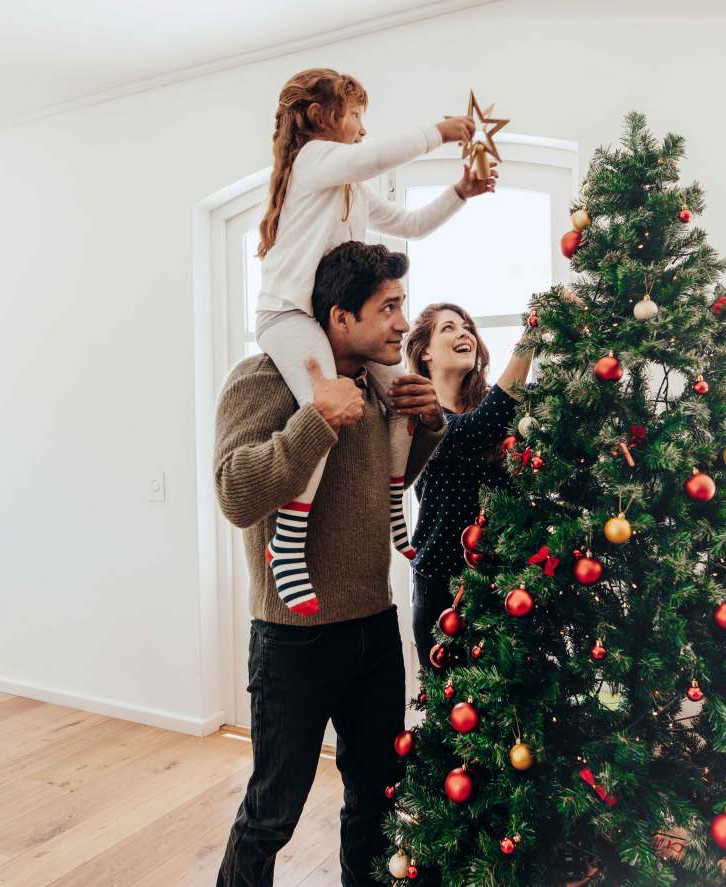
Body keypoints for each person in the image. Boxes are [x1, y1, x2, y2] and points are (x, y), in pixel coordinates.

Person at [215, 241, 445, 887]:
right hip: (294, 638)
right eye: (389, 307)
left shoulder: (378, 390)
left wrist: (426, 425)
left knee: (376, 800)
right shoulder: (260, 380)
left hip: (375, 629)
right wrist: (315, 420)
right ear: (340, 318)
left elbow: (374, 489)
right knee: (272, 814)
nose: (405, 321)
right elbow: (236, 492)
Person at [255, 66, 497, 616]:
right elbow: (372, 156)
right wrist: (441, 131)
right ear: (321, 117)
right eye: (356, 114)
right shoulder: (312, 160)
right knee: (329, 405)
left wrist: (460, 191)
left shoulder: (351, 191)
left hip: (327, 319)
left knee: (406, 395)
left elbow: (411, 224)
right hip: (289, 316)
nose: (363, 128)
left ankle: (394, 509)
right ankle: (288, 540)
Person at [403, 303, 533, 669]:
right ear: (425, 351)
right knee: (452, 711)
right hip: (443, 586)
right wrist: (532, 335)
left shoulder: (501, 404)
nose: (464, 334)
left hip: (509, 579)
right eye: (449, 328)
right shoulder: (419, 413)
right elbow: (475, 430)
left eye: (467, 328)